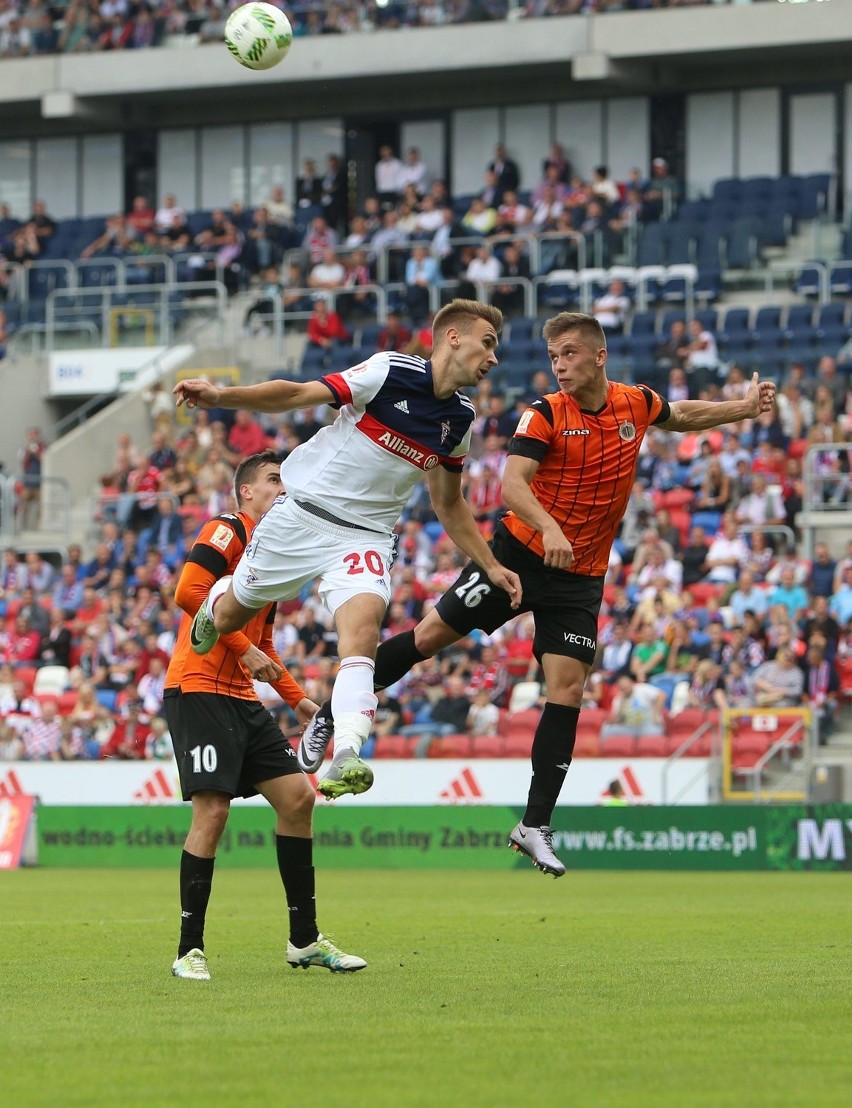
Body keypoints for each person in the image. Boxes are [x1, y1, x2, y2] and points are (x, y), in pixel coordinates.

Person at [300, 311, 777, 877]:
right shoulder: (545, 413)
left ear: (599, 356)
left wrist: (743, 409)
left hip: (580, 577)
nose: (560, 365)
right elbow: (512, 483)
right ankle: (333, 713)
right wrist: (549, 527)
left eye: (570, 354)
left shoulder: (636, 403)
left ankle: (534, 825)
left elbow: (681, 415)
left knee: (568, 690)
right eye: (553, 357)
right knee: (429, 637)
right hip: (519, 558)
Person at [173, 300, 521, 801]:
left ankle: (348, 753)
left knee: (361, 634)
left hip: (366, 537)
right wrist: (221, 396)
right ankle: (217, 601)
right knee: (228, 615)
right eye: (487, 343)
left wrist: (490, 565)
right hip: (303, 515)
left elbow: (449, 503)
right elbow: (298, 393)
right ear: (452, 337)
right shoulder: (389, 370)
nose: (493, 358)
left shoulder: (459, 421)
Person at [165, 450, 365, 981]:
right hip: (198, 689)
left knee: (299, 798)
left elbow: (264, 645)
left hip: (239, 696)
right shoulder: (230, 528)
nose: (283, 488)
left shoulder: (272, 553)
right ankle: (189, 950)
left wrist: (300, 701)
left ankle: (304, 941)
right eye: (275, 480)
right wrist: (239, 645)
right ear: (247, 492)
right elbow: (188, 592)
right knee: (213, 811)